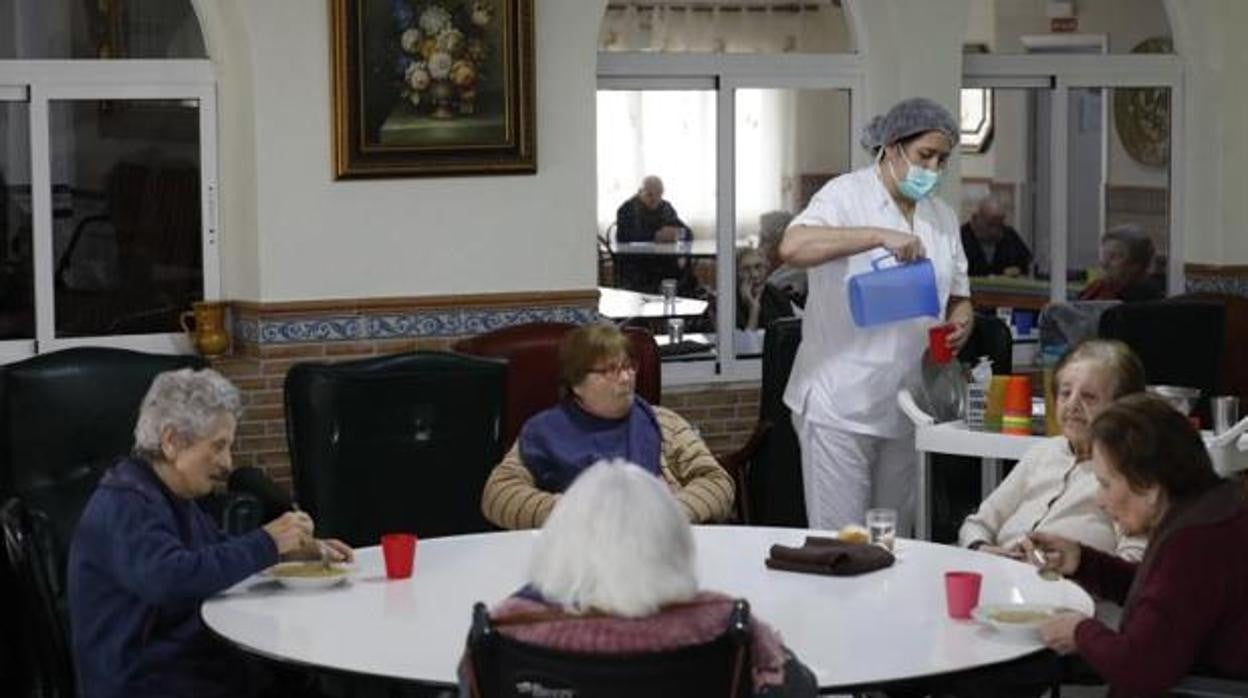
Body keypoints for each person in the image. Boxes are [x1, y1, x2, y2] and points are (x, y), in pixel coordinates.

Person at [68, 368, 353, 698]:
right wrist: (267, 542)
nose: (227, 464)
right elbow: (171, 578)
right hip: (145, 680)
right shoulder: (125, 504)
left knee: (300, 678)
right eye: (218, 446)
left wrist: (288, 551)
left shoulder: (167, 494)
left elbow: (209, 552)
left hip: (181, 665)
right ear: (172, 441)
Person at [778, 97, 974, 532]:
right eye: (925, 156)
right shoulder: (846, 195)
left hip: (908, 403)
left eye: (943, 160)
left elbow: (959, 294)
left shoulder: (940, 217)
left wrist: (962, 321)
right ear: (891, 147)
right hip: (839, 403)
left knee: (895, 543)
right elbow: (792, 247)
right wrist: (874, 236)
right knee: (845, 543)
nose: (934, 169)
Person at [463, 460, 817, 697]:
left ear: (559, 539)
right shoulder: (725, 621)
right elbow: (800, 688)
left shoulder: (504, 625)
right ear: (673, 539)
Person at [1027, 393, 1248, 696]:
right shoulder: (1211, 508)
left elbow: (1141, 668)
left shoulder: (1195, 543)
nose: (1099, 499)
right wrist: (1084, 562)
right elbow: (1168, 601)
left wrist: (1080, 632)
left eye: (1106, 484)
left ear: (1149, 486)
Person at [480, 323, 735, 529]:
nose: (625, 378)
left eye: (628, 367)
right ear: (576, 383)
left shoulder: (663, 422)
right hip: (577, 560)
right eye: (609, 371)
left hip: (659, 553)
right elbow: (498, 496)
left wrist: (669, 511)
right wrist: (578, 512)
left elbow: (717, 482)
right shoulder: (543, 432)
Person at [959, 340, 1146, 561]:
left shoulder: (1129, 471)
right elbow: (978, 524)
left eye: (1089, 397)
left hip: (1069, 589)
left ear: (1124, 407)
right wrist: (981, 548)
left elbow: (1135, 561)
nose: (1072, 405)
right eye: (1065, 393)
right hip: (1002, 574)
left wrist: (1074, 567)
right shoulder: (1042, 453)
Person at [1077, 224, 1163, 302]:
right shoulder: (1097, 287)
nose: (1104, 263)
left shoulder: (1142, 299)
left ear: (1135, 265)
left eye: (1113, 257)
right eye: (1104, 255)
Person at [960, 195, 1032, 277]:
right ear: (975, 219)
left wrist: (1018, 271)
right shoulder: (960, 238)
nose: (995, 231)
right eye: (990, 225)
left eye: (999, 225)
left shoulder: (1010, 237)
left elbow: (1026, 265)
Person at [614, 175, 691, 244]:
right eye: (649, 195)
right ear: (640, 192)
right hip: (636, 257)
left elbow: (689, 234)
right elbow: (624, 238)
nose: (655, 199)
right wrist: (655, 236)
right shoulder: (627, 209)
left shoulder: (666, 207)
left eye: (658, 194)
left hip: (663, 256)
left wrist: (677, 233)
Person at [757, 209, 806, 306]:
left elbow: (766, 292)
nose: (759, 246)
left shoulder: (794, 272)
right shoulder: (777, 268)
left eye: (764, 239)